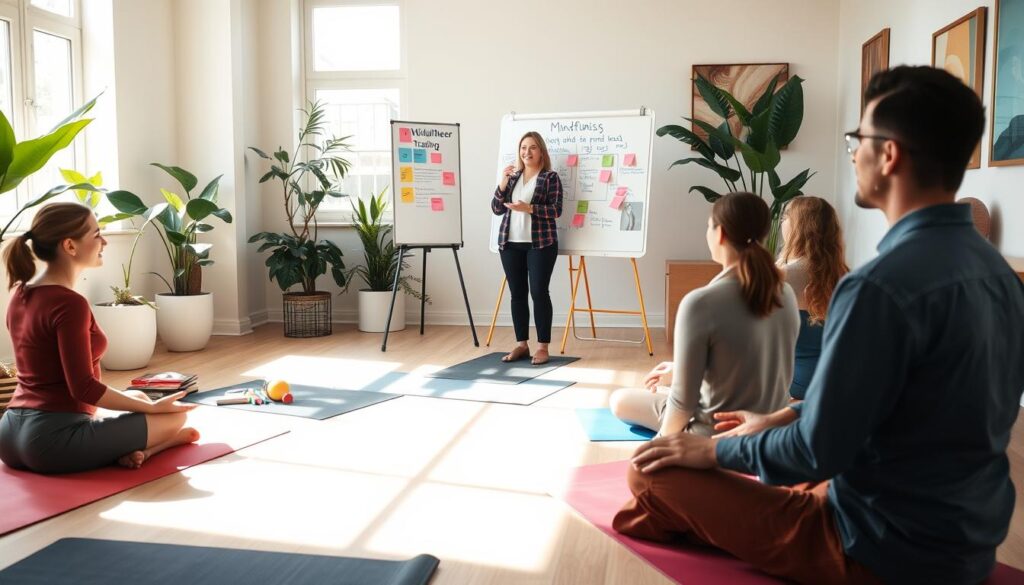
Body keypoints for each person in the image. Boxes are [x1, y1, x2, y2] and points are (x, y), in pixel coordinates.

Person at [613, 66, 1024, 585]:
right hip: (968, 542)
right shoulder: (1000, 277)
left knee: (652, 474)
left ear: (889, 154)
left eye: (858, 139)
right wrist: (780, 416)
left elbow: (815, 452)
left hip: (879, 550)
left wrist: (711, 448)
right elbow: (925, 403)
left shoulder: (879, 287)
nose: (854, 154)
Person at [0, 202, 199, 474]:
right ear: (69, 246)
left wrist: (146, 403)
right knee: (176, 414)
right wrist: (153, 409)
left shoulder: (20, 293)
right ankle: (152, 449)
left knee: (139, 395)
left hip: (9, 435)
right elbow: (84, 389)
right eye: (96, 234)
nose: (103, 241)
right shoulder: (69, 303)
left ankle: (138, 445)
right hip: (51, 444)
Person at [609, 193, 799, 436]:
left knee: (620, 399)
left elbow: (682, 403)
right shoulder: (786, 293)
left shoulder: (700, 303)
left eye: (708, 226)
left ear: (720, 234)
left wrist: (660, 446)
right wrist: (679, 368)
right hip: (770, 432)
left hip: (711, 437)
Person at [491, 132, 563, 365]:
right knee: (517, 295)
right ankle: (522, 344)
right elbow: (496, 208)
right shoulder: (513, 177)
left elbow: (556, 210)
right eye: (523, 147)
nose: (527, 152)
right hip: (510, 243)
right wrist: (502, 182)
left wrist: (529, 208)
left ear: (541, 151)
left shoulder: (550, 178)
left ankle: (542, 347)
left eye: (532, 148)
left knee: (539, 293)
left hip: (541, 244)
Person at [777, 196, 849, 400]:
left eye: (785, 217)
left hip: (798, 386)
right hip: (839, 383)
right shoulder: (848, 277)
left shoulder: (782, 276)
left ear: (799, 225)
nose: (781, 222)